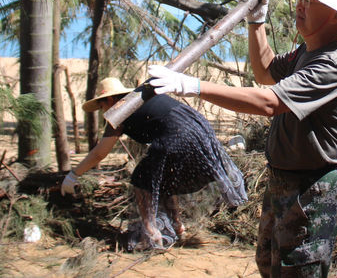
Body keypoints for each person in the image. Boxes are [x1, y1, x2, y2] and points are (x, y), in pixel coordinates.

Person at [146, 0, 337, 277]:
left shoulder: (335, 63)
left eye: (310, 0)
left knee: (298, 272)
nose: (300, 5)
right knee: (269, 265)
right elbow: (264, 71)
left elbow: (269, 102)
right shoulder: (306, 52)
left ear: (334, 15)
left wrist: (192, 86)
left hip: (311, 190)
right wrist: (257, 22)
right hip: (281, 181)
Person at [60, 76, 247, 250]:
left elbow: (99, 153)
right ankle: (178, 226)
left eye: (101, 106)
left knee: (141, 179)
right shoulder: (144, 95)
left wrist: (73, 174)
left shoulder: (120, 109)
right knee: (164, 178)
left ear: (109, 100)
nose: (103, 112)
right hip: (201, 129)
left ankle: (151, 232)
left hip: (178, 134)